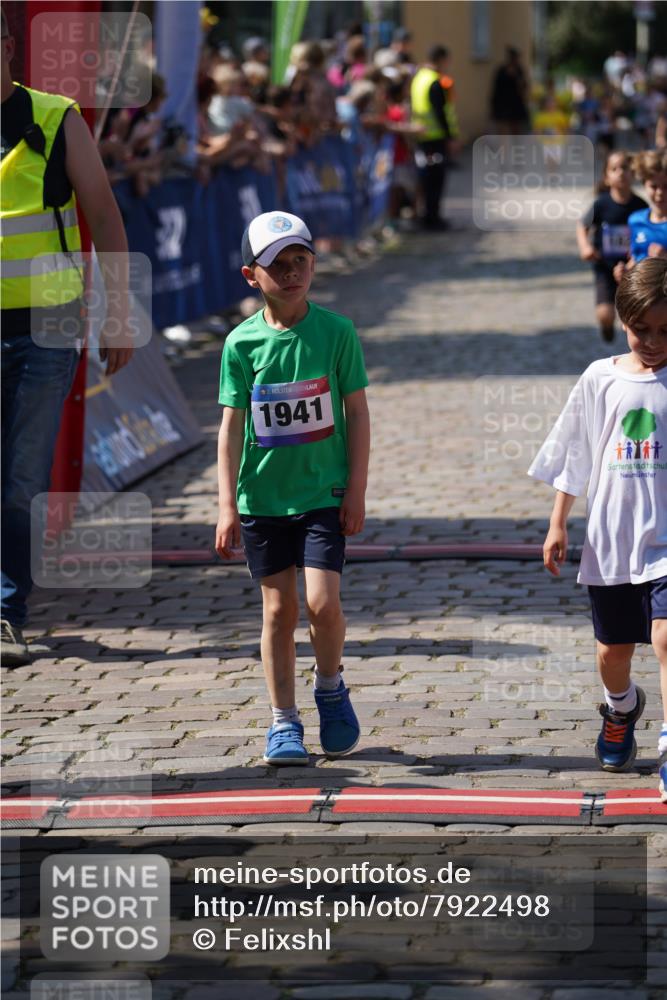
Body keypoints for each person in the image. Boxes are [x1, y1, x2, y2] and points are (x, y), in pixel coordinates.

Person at [1, 9, 133, 667]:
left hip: (47, 328)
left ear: (8, 47)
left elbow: (104, 215)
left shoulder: (55, 118)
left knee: (22, 478)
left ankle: (5, 610)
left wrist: (118, 314)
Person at [215, 211, 371, 765]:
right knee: (278, 613)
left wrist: (355, 488)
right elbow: (231, 428)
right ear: (250, 275)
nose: (291, 271)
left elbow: (357, 412)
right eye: (276, 264)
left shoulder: (337, 332)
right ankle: (283, 722)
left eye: (300, 259)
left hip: (323, 496)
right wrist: (226, 506)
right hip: (262, 501)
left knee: (322, 604)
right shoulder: (241, 344)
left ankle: (330, 685)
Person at [528, 258, 667, 802]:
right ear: (622, 322)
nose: (652, 342)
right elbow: (576, 455)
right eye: (641, 330)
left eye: (665, 331)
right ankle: (621, 707)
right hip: (612, 540)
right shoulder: (599, 377)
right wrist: (558, 520)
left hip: (665, 541)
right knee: (613, 654)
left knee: (664, 637)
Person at [576, 150, 647, 342]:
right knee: (605, 314)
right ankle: (606, 327)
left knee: (637, 314)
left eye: (625, 167)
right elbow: (582, 226)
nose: (620, 172)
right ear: (607, 177)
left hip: (634, 268)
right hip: (604, 266)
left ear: (633, 173)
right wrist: (585, 247)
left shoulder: (641, 206)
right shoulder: (601, 204)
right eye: (614, 169)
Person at [410, 44, 456, 230]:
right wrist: (451, 136)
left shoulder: (419, 78)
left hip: (422, 136)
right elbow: (440, 112)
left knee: (426, 178)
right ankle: (433, 218)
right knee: (436, 179)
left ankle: (427, 216)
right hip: (435, 137)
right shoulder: (435, 82)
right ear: (440, 59)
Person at [615, 150, 667, 286]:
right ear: (644, 185)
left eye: (666, 186)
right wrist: (625, 271)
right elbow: (636, 256)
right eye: (654, 186)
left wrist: (664, 258)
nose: (660, 192)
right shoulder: (635, 220)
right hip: (643, 296)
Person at [490, 46, 530, 134]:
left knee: (516, 128)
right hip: (503, 104)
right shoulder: (501, 71)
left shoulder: (519, 70)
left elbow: (524, 86)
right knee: (503, 129)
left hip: (516, 104)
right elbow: (496, 89)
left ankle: (514, 145)